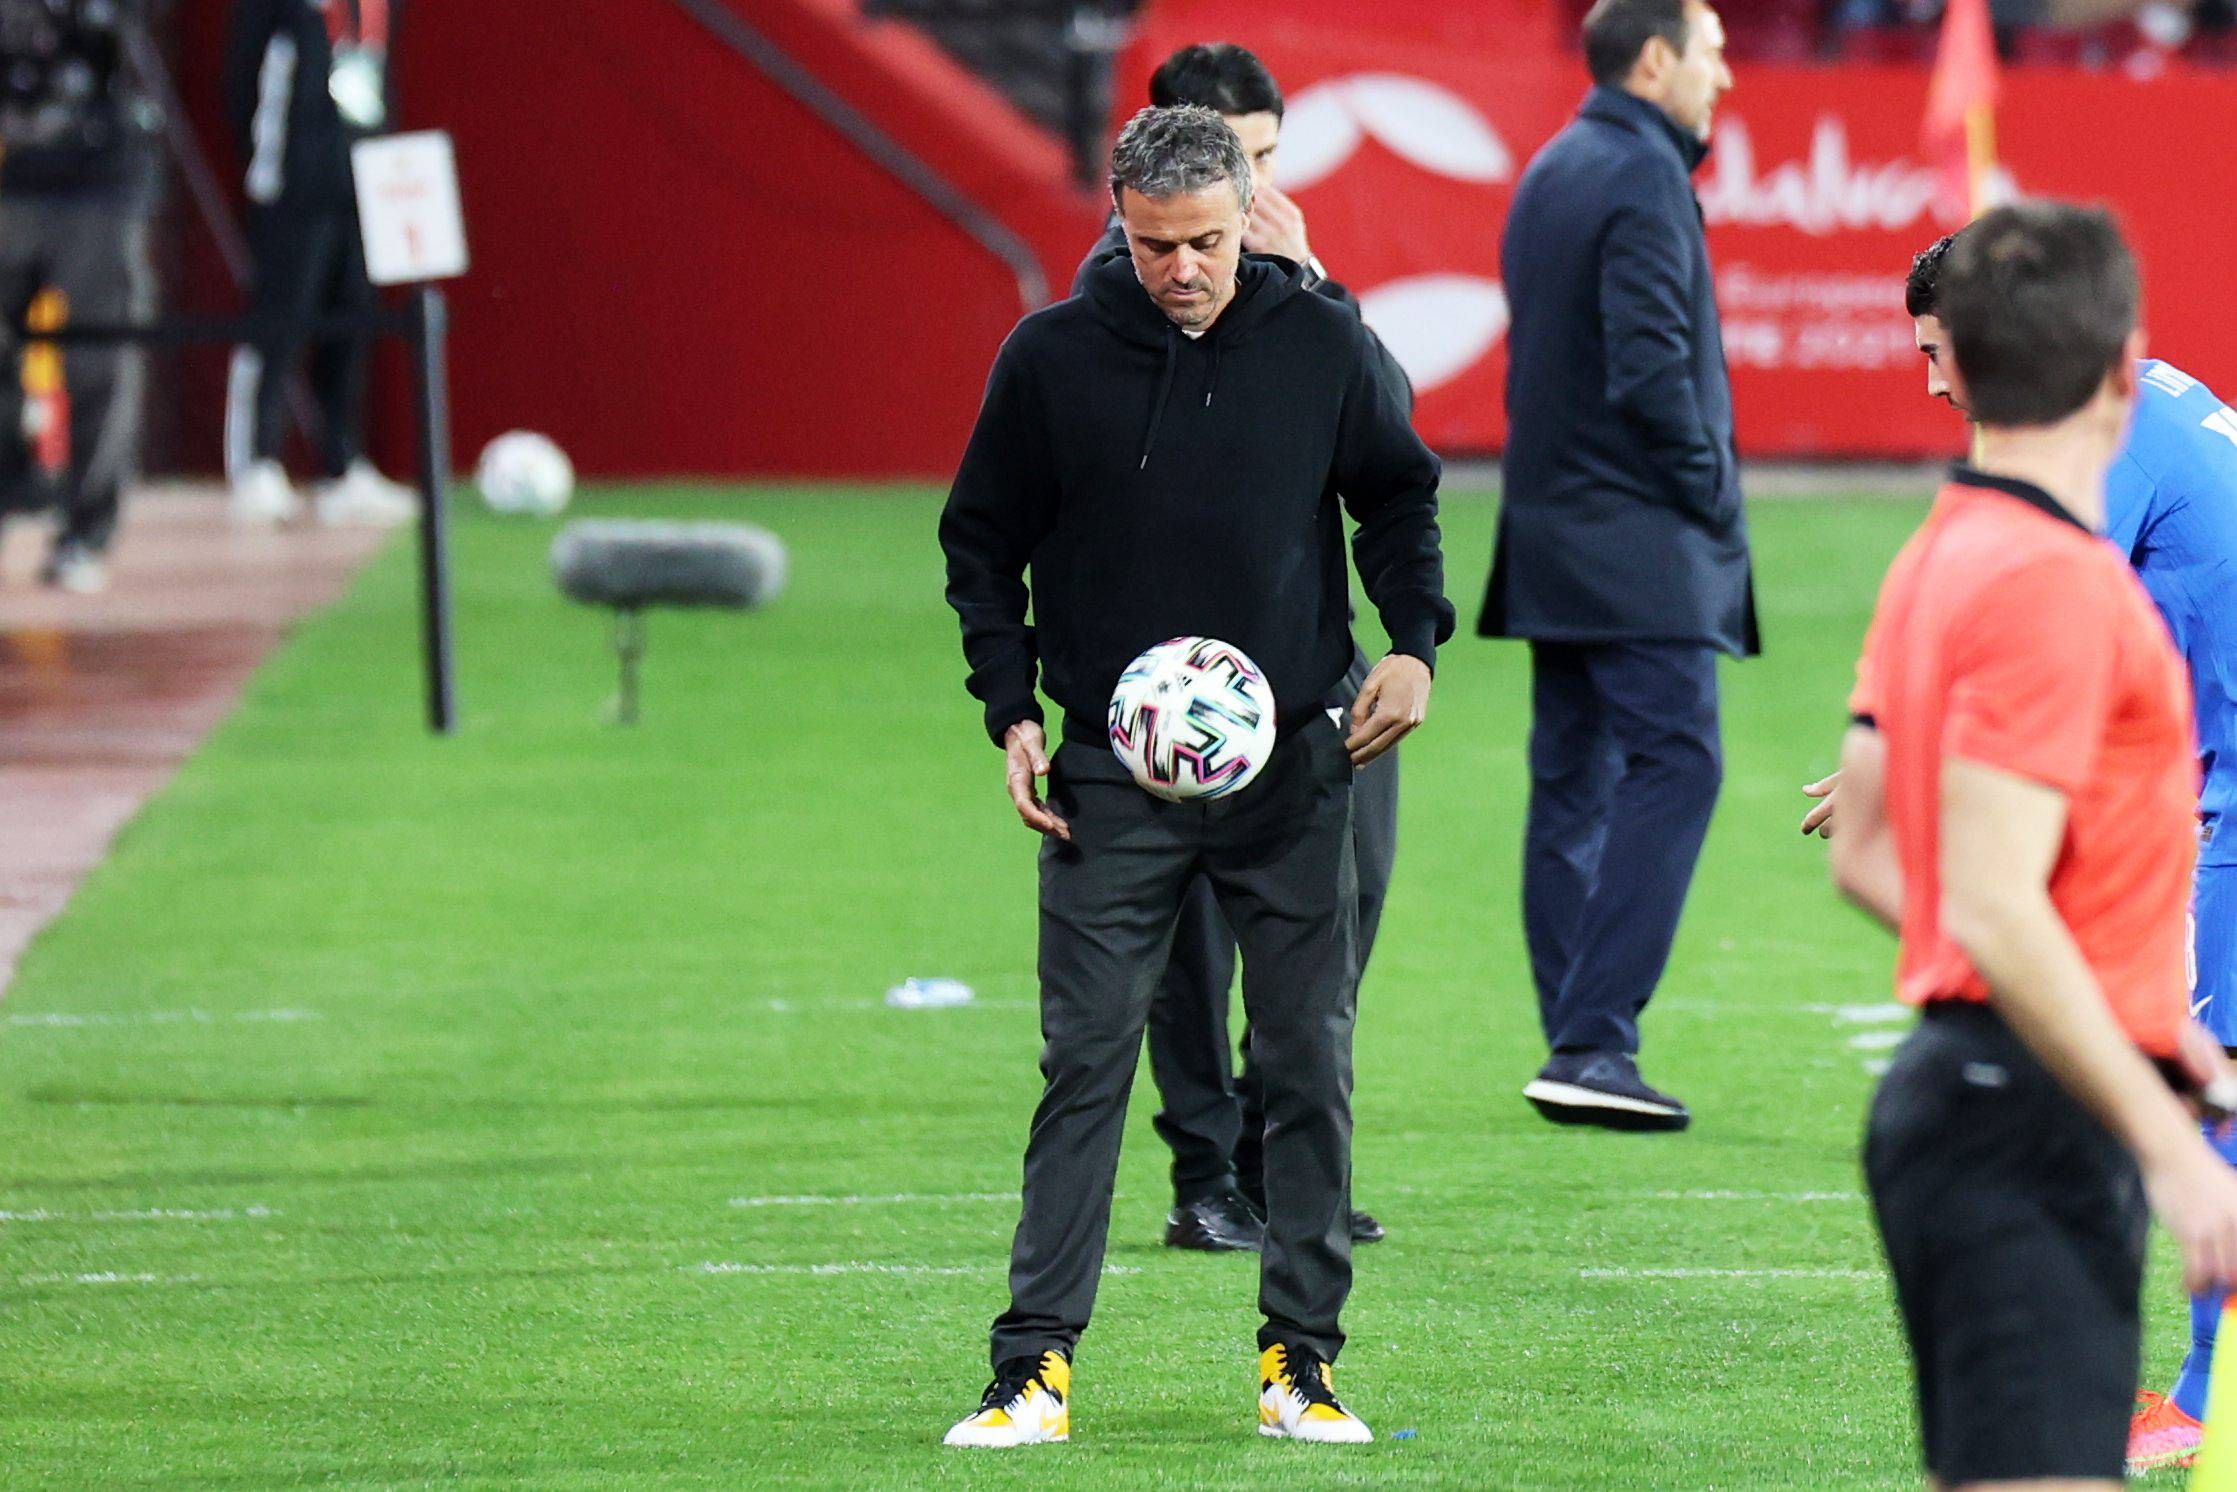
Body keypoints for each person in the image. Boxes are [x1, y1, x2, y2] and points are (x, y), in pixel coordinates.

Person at [938, 104, 1451, 1448]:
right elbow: (979, 541)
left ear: (1246, 217)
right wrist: (1011, 709)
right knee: (1086, 1059)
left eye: (1208, 243)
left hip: (1292, 760)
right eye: (1156, 244)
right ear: (1118, 220)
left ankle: (1302, 1362)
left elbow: (1397, 496)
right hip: (1108, 774)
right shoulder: (1049, 359)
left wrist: (1413, 646)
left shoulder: (1325, 341)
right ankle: (1032, 1368)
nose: (1183, 270)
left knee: (1304, 1062)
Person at [1807, 228, 2237, 1476]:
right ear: (2121, 365)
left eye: (1937, 357)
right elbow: (1993, 900)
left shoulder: (1947, 546)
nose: (1930, 386)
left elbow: (1872, 855)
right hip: (2028, 1112)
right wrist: (2159, 1119)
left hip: (1959, 1095)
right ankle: (2199, 1400)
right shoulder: (2057, 574)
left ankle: (2198, 1396)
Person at [1073, 41, 1397, 1253]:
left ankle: (1283, 1156)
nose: (1247, 193)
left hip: (1308, 659)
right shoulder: (1120, 297)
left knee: (1343, 908)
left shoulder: (1291, 282)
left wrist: (1307, 277)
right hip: (1169, 683)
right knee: (1185, 949)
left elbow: (1382, 434)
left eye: (1263, 160)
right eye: (1226, 162)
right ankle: (1204, 1173)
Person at [1487, 0, 1751, 1132]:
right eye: (1711, 53)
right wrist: (1708, 495)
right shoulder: (1640, 176)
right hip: (1633, 535)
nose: (1723, 77)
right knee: (1676, 762)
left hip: (1552, 529)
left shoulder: (1555, 163)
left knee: (1574, 779)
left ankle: (1574, 1033)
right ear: (1654, 61)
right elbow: (1651, 370)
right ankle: (1593, 1038)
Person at [222, 0, 415, 527]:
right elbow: (242, 78)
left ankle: (343, 465)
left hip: (362, 176)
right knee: (279, 321)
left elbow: (377, 73)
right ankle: (255, 461)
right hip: (294, 179)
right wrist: (265, 165)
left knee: (352, 322)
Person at [0, 0, 162, 594]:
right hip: (17, 172)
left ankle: (85, 532)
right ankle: (14, 484)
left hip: (103, 174)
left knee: (99, 359)